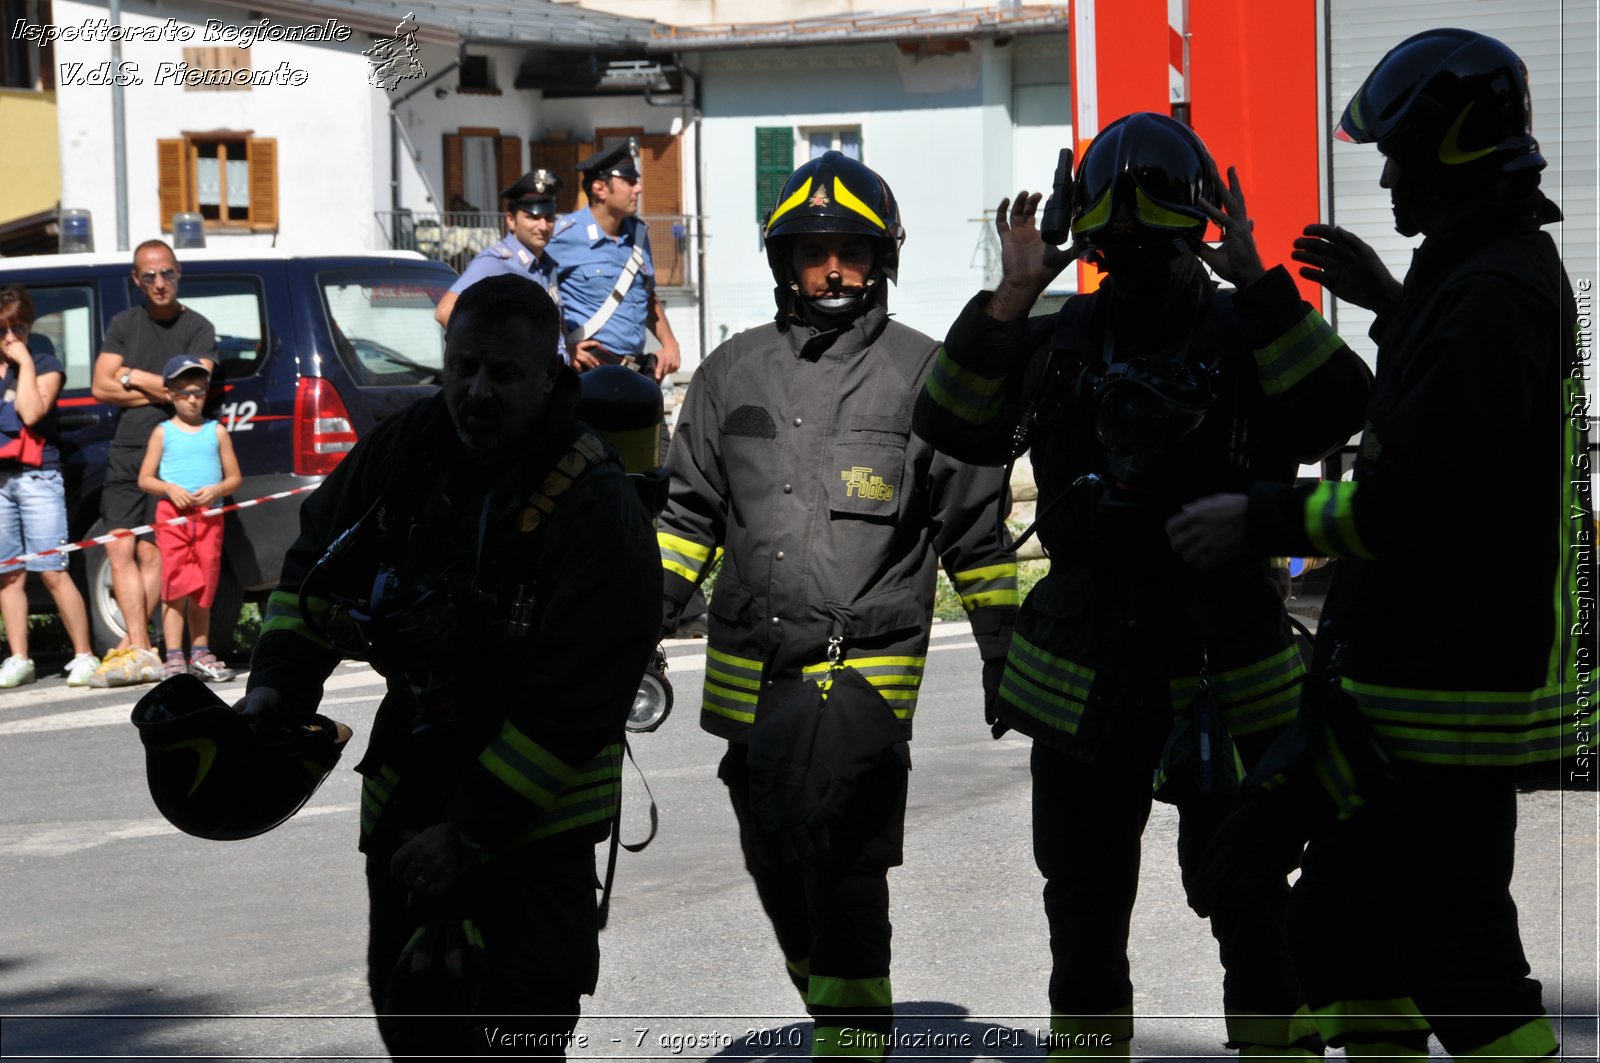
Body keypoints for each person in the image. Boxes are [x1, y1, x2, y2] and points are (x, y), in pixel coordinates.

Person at [1167, 29, 1591, 1062]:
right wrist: (1382, 303)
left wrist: (1254, 516)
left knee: (1461, 968)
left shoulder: (1491, 288)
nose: (1389, 181)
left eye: (1398, 157)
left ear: (1448, 152)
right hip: (1408, 693)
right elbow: (1442, 413)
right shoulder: (1476, 276)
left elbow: (1419, 499)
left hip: (1439, 706)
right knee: (1332, 935)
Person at [914, 113, 1373, 1059]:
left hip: (1227, 666)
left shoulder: (1250, 325)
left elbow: (1342, 412)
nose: (1137, 272)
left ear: (1194, 237)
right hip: (1088, 674)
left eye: (1156, 250)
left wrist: (1259, 283)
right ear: (1091, 244)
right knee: (1083, 918)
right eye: (1116, 253)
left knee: (1248, 904)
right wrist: (1011, 292)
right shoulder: (1057, 335)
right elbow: (950, 425)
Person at [236, 274, 659, 1059]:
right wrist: (276, 688)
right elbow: (311, 568)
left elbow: (570, 704)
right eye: (461, 366)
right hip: (409, 808)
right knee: (416, 1032)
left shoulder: (594, 501)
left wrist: (469, 832)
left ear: (551, 375)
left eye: (502, 373)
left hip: (531, 835)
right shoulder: (410, 445)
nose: (476, 390)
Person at [658, 150, 1018, 1059]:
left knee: (845, 853)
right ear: (782, 261)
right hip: (750, 680)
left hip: (864, 664)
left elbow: (972, 530)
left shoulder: (927, 374)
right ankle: (834, 1001)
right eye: (812, 251)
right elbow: (684, 521)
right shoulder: (728, 375)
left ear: (882, 259)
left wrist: (1004, 653)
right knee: (778, 859)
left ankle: (854, 1042)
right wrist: (626, 631)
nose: (831, 269)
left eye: (851, 251)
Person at [89, 239, 216, 688]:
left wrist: (128, 375)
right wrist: (151, 380)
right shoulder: (125, 323)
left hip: (175, 457)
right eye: (150, 276)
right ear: (136, 280)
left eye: (167, 274)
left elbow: (193, 386)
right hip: (128, 450)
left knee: (155, 552)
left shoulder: (198, 326)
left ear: (178, 273)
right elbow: (100, 387)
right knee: (119, 547)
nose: (159, 283)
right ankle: (141, 644)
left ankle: (157, 647)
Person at [0, 286, 99, 688]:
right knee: (8, 574)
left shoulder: (44, 361)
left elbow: (31, 411)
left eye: (18, 327)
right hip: (2, 479)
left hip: (40, 477)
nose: (10, 337)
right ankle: (20, 658)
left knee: (53, 569)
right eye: (2, 328)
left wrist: (23, 363)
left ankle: (84, 655)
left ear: (29, 326)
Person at [137, 356, 242, 682]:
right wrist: (170, 488)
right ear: (169, 394)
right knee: (175, 588)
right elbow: (145, 479)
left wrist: (216, 490)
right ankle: (173, 657)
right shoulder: (162, 432)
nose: (193, 398)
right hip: (173, 518)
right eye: (184, 392)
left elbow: (234, 478)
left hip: (209, 517)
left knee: (203, 588)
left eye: (198, 391)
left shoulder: (217, 431)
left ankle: (200, 652)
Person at [547, 141, 681, 384]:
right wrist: (561, 346)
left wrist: (670, 343)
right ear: (599, 188)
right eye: (629, 182)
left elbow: (648, 297)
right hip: (588, 374)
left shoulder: (638, 234)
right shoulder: (563, 235)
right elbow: (533, 293)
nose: (638, 189)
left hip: (634, 370)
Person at [433, 169, 570, 364]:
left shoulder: (546, 265)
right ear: (511, 220)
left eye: (549, 218)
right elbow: (445, 312)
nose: (543, 226)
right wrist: (499, 358)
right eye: (532, 217)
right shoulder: (496, 261)